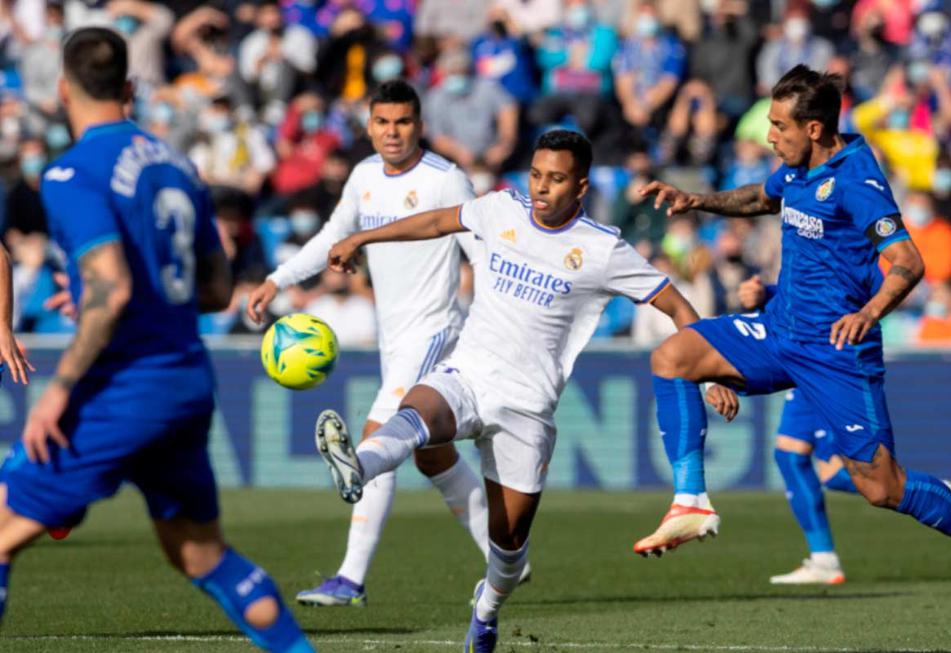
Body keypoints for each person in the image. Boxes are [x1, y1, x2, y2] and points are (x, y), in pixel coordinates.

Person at [319, 129, 736, 652]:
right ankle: (358, 467)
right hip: (468, 374)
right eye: (536, 175)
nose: (541, 187)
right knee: (417, 411)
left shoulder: (603, 249)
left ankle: (486, 610)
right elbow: (435, 222)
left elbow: (676, 306)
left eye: (555, 179)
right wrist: (363, 238)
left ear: (580, 187)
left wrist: (710, 372)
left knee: (509, 546)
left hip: (527, 408)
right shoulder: (501, 210)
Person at [0, 28, 314, 653]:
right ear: (130, 87)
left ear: (62, 90)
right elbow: (216, 289)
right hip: (186, 384)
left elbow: (111, 288)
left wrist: (58, 390)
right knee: (200, 555)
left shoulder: (71, 173)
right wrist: (112, 292)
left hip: (123, 388)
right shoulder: (176, 164)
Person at [632, 65, 951, 561]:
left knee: (882, 487)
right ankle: (691, 502)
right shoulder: (798, 168)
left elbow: (908, 262)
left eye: (779, 126)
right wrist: (697, 201)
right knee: (672, 357)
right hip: (780, 330)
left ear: (813, 128)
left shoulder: (856, 180)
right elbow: (761, 197)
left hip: (836, 350)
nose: (770, 137)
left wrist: (868, 313)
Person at [246, 80, 515, 607]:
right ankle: (505, 558)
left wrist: (494, 325)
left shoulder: (445, 179)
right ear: (369, 127)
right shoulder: (365, 175)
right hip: (393, 338)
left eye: (403, 122)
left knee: (377, 434)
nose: (393, 132)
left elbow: (481, 256)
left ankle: (350, 579)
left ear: (420, 126)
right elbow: (332, 237)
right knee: (432, 459)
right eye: (383, 122)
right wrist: (278, 280)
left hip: (436, 331)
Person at [733, 275, 951, 583]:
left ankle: (947, 493)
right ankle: (823, 558)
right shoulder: (804, 247)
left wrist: (770, 293)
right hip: (804, 350)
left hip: (829, 356)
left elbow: (845, 285)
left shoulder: (852, 248)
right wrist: (767, 294)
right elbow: (807, 283)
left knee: (850, 475)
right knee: (792, 455)